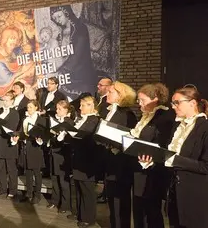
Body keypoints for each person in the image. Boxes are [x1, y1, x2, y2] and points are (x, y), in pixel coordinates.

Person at [140, 87, 208, 228]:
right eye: (172, 103)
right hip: (174, 192)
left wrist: (173, 159)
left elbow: (205, 166)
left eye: (177, 102)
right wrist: (150, 162)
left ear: (193, 103)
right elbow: (168, 157)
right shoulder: (178, 125)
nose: (173, 106)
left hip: (195, 195)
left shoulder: (204, 128)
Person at [130, 83, 175, 228]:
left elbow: (163, 145)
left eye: (142, 100)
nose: (139, 103)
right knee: (140, 207)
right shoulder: (148, 115)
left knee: (152, 210)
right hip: (142, 166)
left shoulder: (164, 117)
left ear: (155, 99)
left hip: (154, 171)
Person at [103, 81, 137, 228]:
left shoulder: (127, 114)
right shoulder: (109, 110)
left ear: (120, 95)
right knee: (112, 201)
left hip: (121, 164)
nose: (107, 94)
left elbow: (130, 139)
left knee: (120, 202)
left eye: (111, 92)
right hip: (110, 161)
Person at [65, 96, 100, 228]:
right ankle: (80, 213)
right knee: (79, 187)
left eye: (83, 105)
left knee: (87, 190)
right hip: (79, 157)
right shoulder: (83, 119)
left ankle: (88, 218)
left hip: (87, 160)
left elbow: (87, 139)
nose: (80, 108)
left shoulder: (94, 120)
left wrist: (73, 135)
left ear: (91, 106)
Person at [12, 100, 46, 204]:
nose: (28, 109)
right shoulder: (25, 119)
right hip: (26, 147)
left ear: (36, 107)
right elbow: (21, 132)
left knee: (37, 173)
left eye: (31, 107)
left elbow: (43, 134)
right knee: (28, 173)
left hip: (35, 148)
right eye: (27, 107)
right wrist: (17, 136)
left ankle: (37, 195)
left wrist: (39, 138)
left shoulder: (41, 120)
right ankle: (29, 193)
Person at [47, 100, 75, 213]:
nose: (57, 111)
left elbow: (69, 140)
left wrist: (60, 135)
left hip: (63, 155)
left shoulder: (69, 122)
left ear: (66, 110)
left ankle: (65, 205)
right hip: (53, 152)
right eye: (57, 108)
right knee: (54, 178)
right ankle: (55, 201)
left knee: (63, 181)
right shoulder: (54, 121)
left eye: (60, 109)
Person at [0, 91, 20, 199]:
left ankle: (13, 191)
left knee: (11, 168)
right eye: (3, 100)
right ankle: (2, 189)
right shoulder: (1, 113)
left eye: (7, 100)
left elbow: (12, 128)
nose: (4, 102)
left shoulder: (14, 113)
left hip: (9, 143)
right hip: (1, 142)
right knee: (2, 168)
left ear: (12, 101)